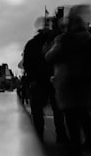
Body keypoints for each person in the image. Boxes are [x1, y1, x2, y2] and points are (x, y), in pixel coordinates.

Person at [45, 6, 91, 156]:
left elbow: (49, 57)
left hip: (66, 82)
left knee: (71, 117)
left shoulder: (63, 39)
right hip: (84, 81)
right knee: (83, 113)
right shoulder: (88, 39)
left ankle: (75, 152)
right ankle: (88, 142)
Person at [23, 17, 68, 145]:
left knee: (38, 112)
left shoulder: (32, 44)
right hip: (52, 80)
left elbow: (27, 64)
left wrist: (32, 79)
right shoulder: (56, 42)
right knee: (58, 111)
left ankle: (39, 136)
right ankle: (61, 136)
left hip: (39, 81)